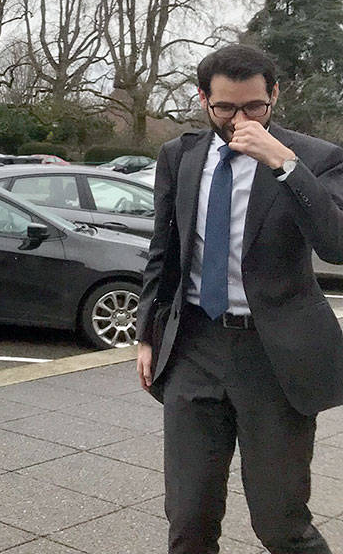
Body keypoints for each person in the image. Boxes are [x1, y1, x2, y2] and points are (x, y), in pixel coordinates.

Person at [136, 43, 343, 553]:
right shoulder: (180, 156)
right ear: (204, 100)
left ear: (274, 95)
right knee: (188, 522)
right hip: (194, 347)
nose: (239, 120)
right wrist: (147, 334)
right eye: (225, 108)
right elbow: (164, 251)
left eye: (255, 107)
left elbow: (336, 244)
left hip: (273, 357)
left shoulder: (316, 158)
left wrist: (283, 164)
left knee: (280, 525)